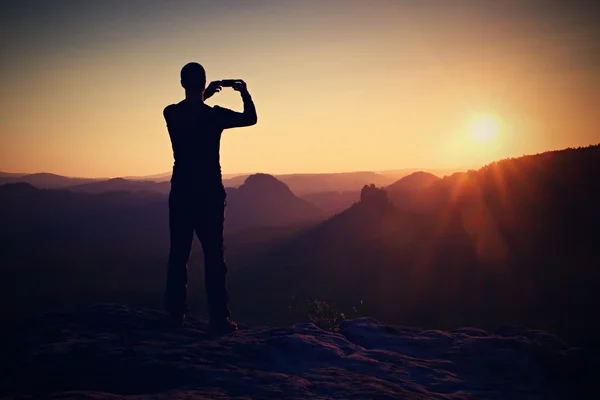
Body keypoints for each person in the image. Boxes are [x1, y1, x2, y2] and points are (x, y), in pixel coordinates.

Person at [162, 62, 257, 333]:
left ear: (182, 84)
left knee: (179, 254)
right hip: (209, 196)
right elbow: (250, 118)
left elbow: (190, 112)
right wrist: (243, 93)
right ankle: (219, 318)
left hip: (181, 193)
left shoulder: (171, 113)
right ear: (204, 84)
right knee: (214, 257)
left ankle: (175, 314)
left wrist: (205, 95)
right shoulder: (214, 116)